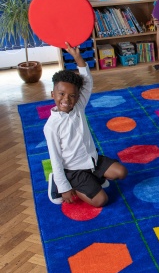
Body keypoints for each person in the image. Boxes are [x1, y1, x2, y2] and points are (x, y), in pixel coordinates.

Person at [44, 43, 128, 207]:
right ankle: (61, 182)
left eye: (72, 96)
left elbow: (87, 81)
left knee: (122, 172)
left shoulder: (78, 107)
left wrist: (78, 58)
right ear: (53, 94)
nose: (66, 100)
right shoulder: (51, 126)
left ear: (77, 97)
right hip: (73, 171)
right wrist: (64, 187)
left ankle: (93, 180)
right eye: (61, 94)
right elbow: (55, 159)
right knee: (101, 201)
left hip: (92, 161)